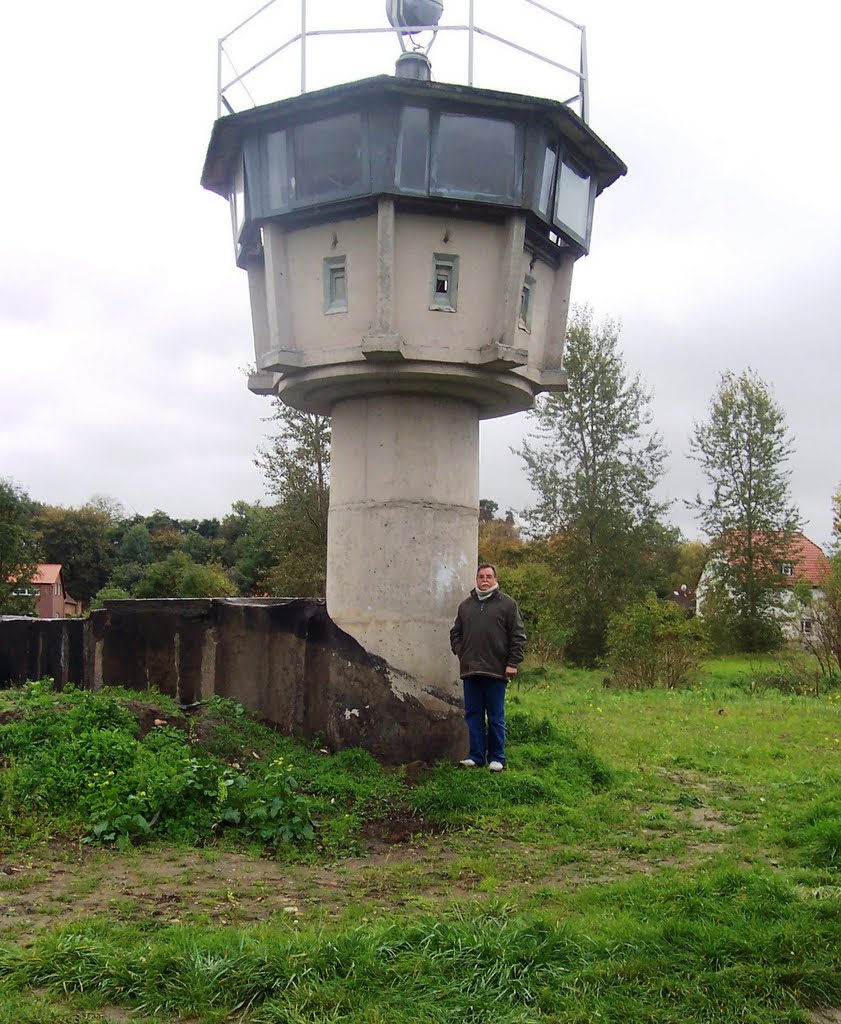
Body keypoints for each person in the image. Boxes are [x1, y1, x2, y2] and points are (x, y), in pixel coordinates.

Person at [449, 562, 526, 771]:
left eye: (488, 576)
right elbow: (455, 633)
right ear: (476, 580)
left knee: (495, 717)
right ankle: (476, 757)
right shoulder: (466, 606)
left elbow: (518, 635)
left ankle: (497, 758)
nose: (484, 580)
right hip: (471, 670)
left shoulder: (507, 605)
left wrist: (512, 662)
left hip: (496, 670)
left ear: (495, 579)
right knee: (473, 715)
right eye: (481, 576)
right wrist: (461, 652)